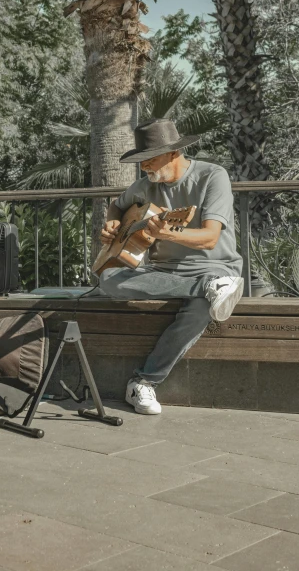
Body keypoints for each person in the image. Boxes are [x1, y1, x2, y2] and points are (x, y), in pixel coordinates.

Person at [98, 118, 244, 415]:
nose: (144, 167)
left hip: (214, 268)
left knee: (202, 307)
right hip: (165, 273)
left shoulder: (212, 176)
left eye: (149, 159)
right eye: (141, 161)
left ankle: (143, 382)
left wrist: (167, 232)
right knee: (109, 278)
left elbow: (210, 238)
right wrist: (112, 220)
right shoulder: (143, 187)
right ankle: (208, 290)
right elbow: (117, 204)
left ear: (173, 153)